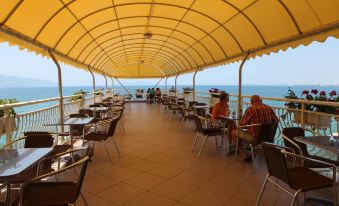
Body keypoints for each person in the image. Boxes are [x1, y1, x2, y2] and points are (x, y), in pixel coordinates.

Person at [231, 95, 278, 159]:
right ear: (260, 100)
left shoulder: (251, 109)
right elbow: (276, 121)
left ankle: (243, 153)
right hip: (268, 137)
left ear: (251, 102)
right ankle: (251, 150)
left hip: (254, 139)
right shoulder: (269, 108)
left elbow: (242, 124)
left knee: (233, 132)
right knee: (248, 131)